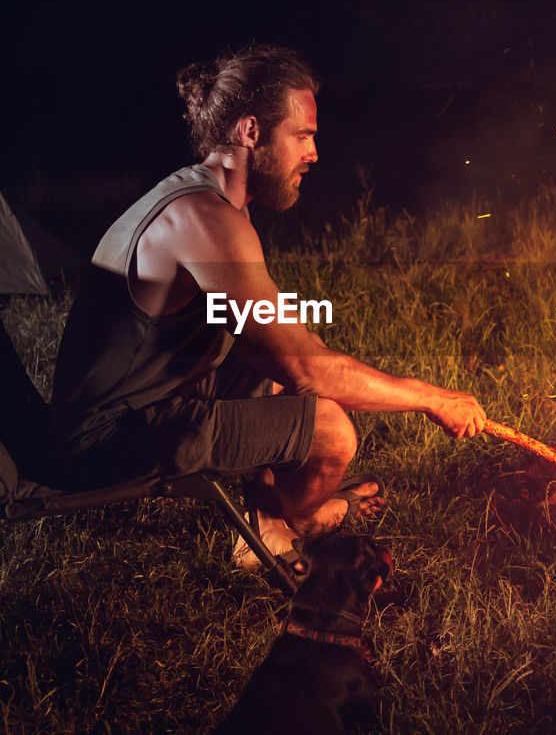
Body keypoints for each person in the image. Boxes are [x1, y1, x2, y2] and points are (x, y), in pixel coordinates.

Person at [50, 45, 485, 569]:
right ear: (251, 132)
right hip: (107, 439)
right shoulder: (206, 220)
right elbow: (306, 367)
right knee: (330, 429)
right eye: (302, 136)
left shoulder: (208, 200)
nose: (314, 153)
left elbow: (275, 345)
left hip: (145, 399)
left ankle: (270, 515)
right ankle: (286, 528)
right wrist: (430, 397)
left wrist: (298, 362)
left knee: (284, 377)